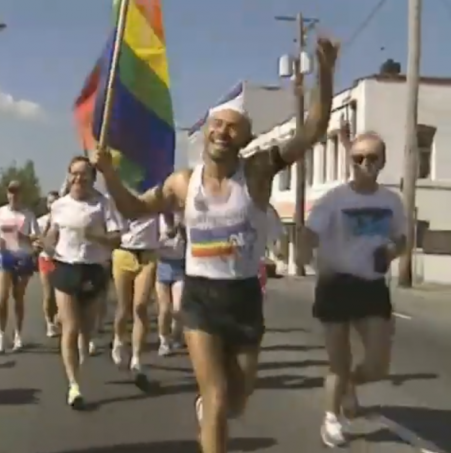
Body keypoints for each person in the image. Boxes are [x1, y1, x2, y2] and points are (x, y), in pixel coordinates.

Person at [90, 36, 338, 453]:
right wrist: (110, 175)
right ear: (206, 132)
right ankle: (212, 412)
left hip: (243, 297)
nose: (222, 132)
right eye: (217, 125)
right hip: (200, 298)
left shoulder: (257, 173)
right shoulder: (182, 183)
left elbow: (312, 130)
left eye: (232, 127)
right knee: (220, 399)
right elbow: (133, 210)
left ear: (245, 138)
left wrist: (326, 71)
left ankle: (210, 407)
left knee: (237, 401)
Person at [297, 131, 406, 448]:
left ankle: (348, 386)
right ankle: (331, 417)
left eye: (372, 158)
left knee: (377, 365)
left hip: (372, 286)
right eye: (358, 158)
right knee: (339, 361)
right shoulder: (334, 199)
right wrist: (303, 251)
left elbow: (402, 238)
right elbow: (309, 232)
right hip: (335, 284)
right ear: (350, 161)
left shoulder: (391, 201)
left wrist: (391, 251)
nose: (365, 163)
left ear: (382, 161)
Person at [44, 155, 121, 409]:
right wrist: (43, 244)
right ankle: (73, 386)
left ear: (92, 178)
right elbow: (52, 236)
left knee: (86, 330)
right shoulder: (60, 206)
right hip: (65, 267)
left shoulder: (103, 204)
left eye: (84, 174)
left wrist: (96, 236)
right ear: (68, 176)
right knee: (71, 327)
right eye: (74, 174)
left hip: (93, 270)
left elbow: (116, 239)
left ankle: (82, 351)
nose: (78, 178)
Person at [110, 212, 160, 389]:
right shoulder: (120, 199)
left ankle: (137, 358)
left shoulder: (155, 198)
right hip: (124, 254)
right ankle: (118, 339)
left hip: (148, 256)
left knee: (140, 307)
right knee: (124, 306)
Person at [0, 180, 39, 354]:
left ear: (21, 195)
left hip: (23, 256)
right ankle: (1, 335)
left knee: (18, 297)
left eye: (17, 192)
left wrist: (23, 237)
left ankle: (18, 334)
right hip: (4, 257)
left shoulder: (28, 214)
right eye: (11, 192)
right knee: (1, 297)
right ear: (7, 194)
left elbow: (35, 237)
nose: (14, 196)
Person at [155, 211, 186, 356]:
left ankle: (176, 334)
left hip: (180, 265)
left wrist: (181, 229)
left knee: (178, 308)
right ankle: (164, 341)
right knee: (164, 308)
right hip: (162, 265)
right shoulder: (157, 220)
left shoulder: (182, 217)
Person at [37, 190, 60, 338]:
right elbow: (38, 241)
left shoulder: (67, 219)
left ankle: (61, 319)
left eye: (56, 202)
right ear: (47, 204)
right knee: (48, 294)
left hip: (64, 260)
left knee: (63, 295)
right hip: (46, 259)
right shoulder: (41, 221)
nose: (53, 205)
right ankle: (49, 323)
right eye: (50, 202)